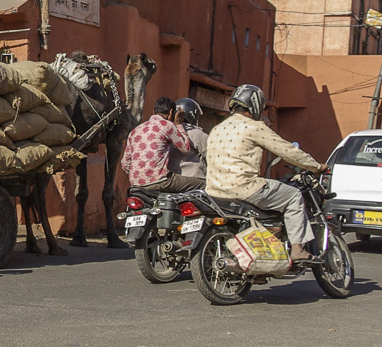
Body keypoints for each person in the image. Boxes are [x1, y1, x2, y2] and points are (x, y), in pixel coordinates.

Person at [204, 84, 325, 265]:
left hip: (214, 191)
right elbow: (286, 150)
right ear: (255, 105)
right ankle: (298, 249)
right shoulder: (254, 127)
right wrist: (315, 166)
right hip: (244, 188)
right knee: (293, 196)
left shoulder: (217, 128)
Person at [120, 96, 205, 195]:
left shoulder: (135, 130)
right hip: (160, 182)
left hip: (135, 186)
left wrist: (141, 177)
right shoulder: (168, 125)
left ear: (153, 111)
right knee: (203, 184)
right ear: (171, 112)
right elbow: (185, 149)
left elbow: (125, 164)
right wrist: (179, 124)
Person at [169, 97, 208, 179]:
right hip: (193, 180)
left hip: (171, 180)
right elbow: (211, 156)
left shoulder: (167, 130)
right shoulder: (198, 134)